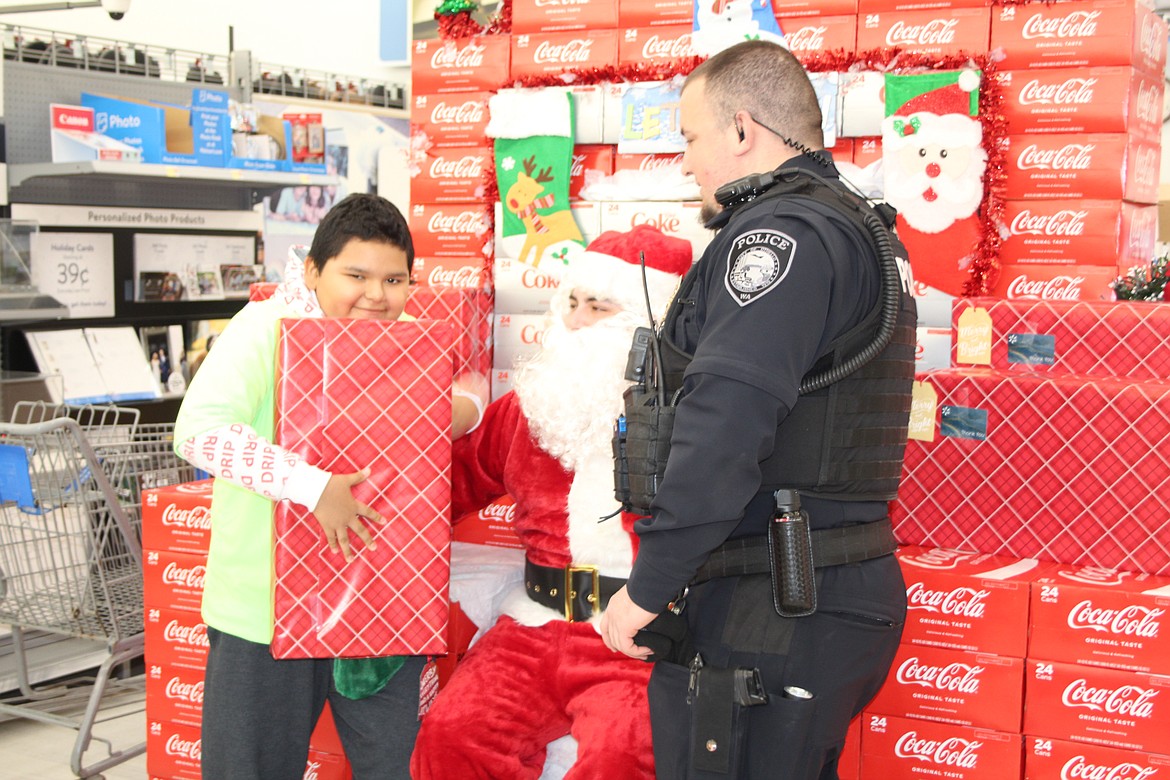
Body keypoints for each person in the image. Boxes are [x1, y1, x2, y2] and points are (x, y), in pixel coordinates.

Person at [600, 41, 918, 779]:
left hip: (775, 603)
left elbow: (725, 425)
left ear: (743, 131)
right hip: (810, 589)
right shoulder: (849, 224)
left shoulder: (782, 238)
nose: (685, 163)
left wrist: (647, 589)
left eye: (689, 139)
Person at [173, 193, 484, 779]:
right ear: (314, 270)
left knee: (404, 766)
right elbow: (199, 432)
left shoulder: (407, 335)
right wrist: (314, 488)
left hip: (381, 609)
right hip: (262, 615)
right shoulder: (264, 328)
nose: (377, 294)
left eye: (395, 279)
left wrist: (458, 410)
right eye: (356, 275)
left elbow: (470, 388)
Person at [411, 225, 693, 779]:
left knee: (621, 756)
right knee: (452, 736)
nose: (576, 319)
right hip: (533, 624)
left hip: (636, 634)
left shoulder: (689, 421)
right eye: (570, 301)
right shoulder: (527, 409)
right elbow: (445, 486)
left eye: (599, 306)